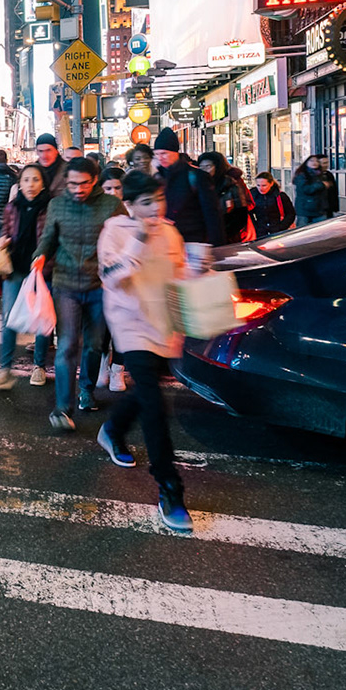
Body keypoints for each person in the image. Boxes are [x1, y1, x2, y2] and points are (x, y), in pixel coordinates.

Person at [92, 169, 193, 534]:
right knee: (154, 404)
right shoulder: (115, 231)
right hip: (130, 324)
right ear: (129, 204)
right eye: (146, 202)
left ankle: (113, 429)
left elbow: (178, 277)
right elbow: (112, 277)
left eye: (159, 200)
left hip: (162, 325)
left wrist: (182, 322)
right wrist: (138, 239)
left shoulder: (170, 232)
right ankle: (170, 486)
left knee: (145, 393)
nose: (155, 209)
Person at [32, 156, 125, 431]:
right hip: (66, 284)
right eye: (72, 184)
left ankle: (86, 389)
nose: (77, 189)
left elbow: (125, 241)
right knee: (67, 344)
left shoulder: (112, 205)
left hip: (100, 287)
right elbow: (48, 238)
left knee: (95, 344)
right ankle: (62, 407)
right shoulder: (57, 204)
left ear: (94, 181)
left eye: (83, 184)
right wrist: (40, 256)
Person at [0, 163, 53, 390]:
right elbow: (5, 230)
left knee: (42, 319)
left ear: (43, 183)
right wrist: (2, 240)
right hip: (15, 269)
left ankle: (39, 366)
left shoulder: (51, 206)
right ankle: (4, 370)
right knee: (9, 321)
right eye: (26, 180)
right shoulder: (13, 207)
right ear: (20, 184)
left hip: (43, 271)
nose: (30, 185)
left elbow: (54, 238)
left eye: (35, 180)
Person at [152, 128, 224, 245]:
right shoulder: (157, 178)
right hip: (166, 241)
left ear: (175, 152)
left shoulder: (196, 176)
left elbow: (212, 213)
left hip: (193, 241)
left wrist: (217, 244)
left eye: (164, 153)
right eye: (157, 154)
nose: (160, 158)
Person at [197, 151, 251, 244]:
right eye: (201, 167)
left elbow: (241, 215)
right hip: (203, 238)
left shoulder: (231, 185)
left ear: (217, 167)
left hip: (228, 239)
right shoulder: (197, 186)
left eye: (208, 167)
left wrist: (224, 233)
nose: (204, 170)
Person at [293, 154, 340, 226]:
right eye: (311, 161)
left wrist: (333, 207)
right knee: (303, 232)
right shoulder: (302, 175)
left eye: (316, 161)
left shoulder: (323, 175)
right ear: (306, 162)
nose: (314, 162)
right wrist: (322, 185)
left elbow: (332, 193)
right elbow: (306, 189)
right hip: (305, 209)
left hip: (320, 209)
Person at [249, 173, 296, 237]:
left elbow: (290, 213)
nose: (261, 188)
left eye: (264, 185)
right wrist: (255, 227)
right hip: (260, 230)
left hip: (277, 229)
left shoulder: (280, 196)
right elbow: (249, 212)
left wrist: (282, 226)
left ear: (271, 184)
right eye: (258, 185)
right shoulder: (253, 195)